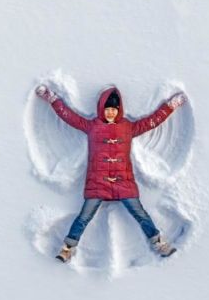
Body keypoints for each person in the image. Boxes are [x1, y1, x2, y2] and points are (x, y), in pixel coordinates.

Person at [35, 84, 188, 262]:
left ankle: (159, 243)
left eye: (114, 110)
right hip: (97, 183)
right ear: (102, 109)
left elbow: (153, 121)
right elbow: (68, 116)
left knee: (141, 214)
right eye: (107, 109)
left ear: (118, 110)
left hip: (124, 183)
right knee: (84, 217)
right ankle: (68, 248)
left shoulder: (128, 127)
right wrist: (52, 98)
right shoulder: (92, 126)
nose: (110, 113)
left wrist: (171, 106)